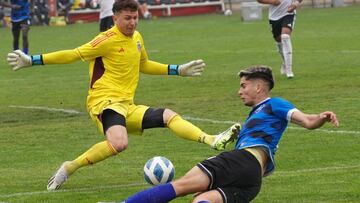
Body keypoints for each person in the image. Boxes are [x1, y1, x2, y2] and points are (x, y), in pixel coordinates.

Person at [7, 0, 239, 191]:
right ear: (115, 18)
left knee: (169, 115)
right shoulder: (105, 40)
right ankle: (69, 167)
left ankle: (212, 140)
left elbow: (144, 64)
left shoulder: (137, 38)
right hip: (104, 101)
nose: (132, 22)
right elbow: (73, 54)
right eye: (127, 18)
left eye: (135, 17)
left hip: (127, 104)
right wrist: (33, 60)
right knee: (119, 143)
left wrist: (177, 69)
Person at [121, 65, 339, 203]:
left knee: (181, 186)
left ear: (259, 87)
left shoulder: (274, 104)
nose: (239, 91)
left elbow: (308, 121)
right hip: (252, 180)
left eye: (244, 86)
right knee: (202, 200)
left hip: (243, 160)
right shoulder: (257, 114)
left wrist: (321, 117)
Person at [257, 0, 302, 78]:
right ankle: (285, 62)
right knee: (279, 41)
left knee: (285, 37)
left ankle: (289, 70)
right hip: (274, 17)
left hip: (288, 13)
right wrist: (272, 2)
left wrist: (295, 4)